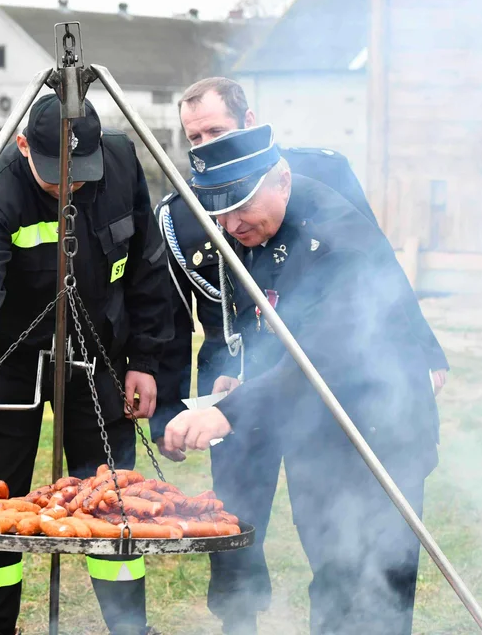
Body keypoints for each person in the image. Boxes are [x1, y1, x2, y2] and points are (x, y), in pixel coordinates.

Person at [155, 79, 444, 635]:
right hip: (316, 428)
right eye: (220, 218)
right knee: (333, 575)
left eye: (240, 211)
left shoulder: (337, 238)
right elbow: (272, 336)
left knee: (379, 578)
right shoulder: (254, 233)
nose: (231, 229)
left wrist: (228, 415)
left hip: (381, 426)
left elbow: (324, 355)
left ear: (282, 179)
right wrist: (239, 387)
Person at [0, 93, 172, 635]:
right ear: (23, 146)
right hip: (11, 360)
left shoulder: (119, 163)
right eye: (54, 177)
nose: (69, 188)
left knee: (110, 499)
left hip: (101, 350)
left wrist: (146, 360)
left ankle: (128, 628)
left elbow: (146, 266)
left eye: (80, 176)